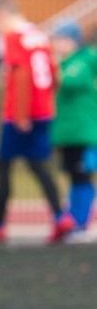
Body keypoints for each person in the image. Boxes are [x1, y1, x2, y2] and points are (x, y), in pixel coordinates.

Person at [0, 0, 75, 244]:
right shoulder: (38, 34)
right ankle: (61, 217)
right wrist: (47, 103)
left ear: (2, 17)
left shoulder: (14, 37)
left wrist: (20, 115)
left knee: (4, 166)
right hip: (43, 112)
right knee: (38, 165)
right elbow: (53, 72)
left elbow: (22, 75)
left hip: (20, 116)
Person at [50, 20, 97, 243]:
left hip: (83, 133)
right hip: (70, 133)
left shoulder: (81, 62)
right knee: (74, 176)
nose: (56, 44)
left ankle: (80, 223)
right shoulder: (68, 62)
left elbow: (68, 82)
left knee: (82, 177)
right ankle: (73, 221)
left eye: (59, 39)